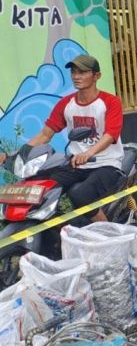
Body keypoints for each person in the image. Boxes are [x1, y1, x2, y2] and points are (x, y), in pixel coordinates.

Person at [0, 54, 124, 223]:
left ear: (97, 76)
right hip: (76, 163)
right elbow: (45, 134)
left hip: (106, 163)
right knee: (43, 190)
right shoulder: (66, 104)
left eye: (82, 72)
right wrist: (15, 155)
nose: (76, 76)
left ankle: (111, 236)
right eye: (73, 72)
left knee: (80, 195)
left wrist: (88, 153)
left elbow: (110, 135)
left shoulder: (110, 102)